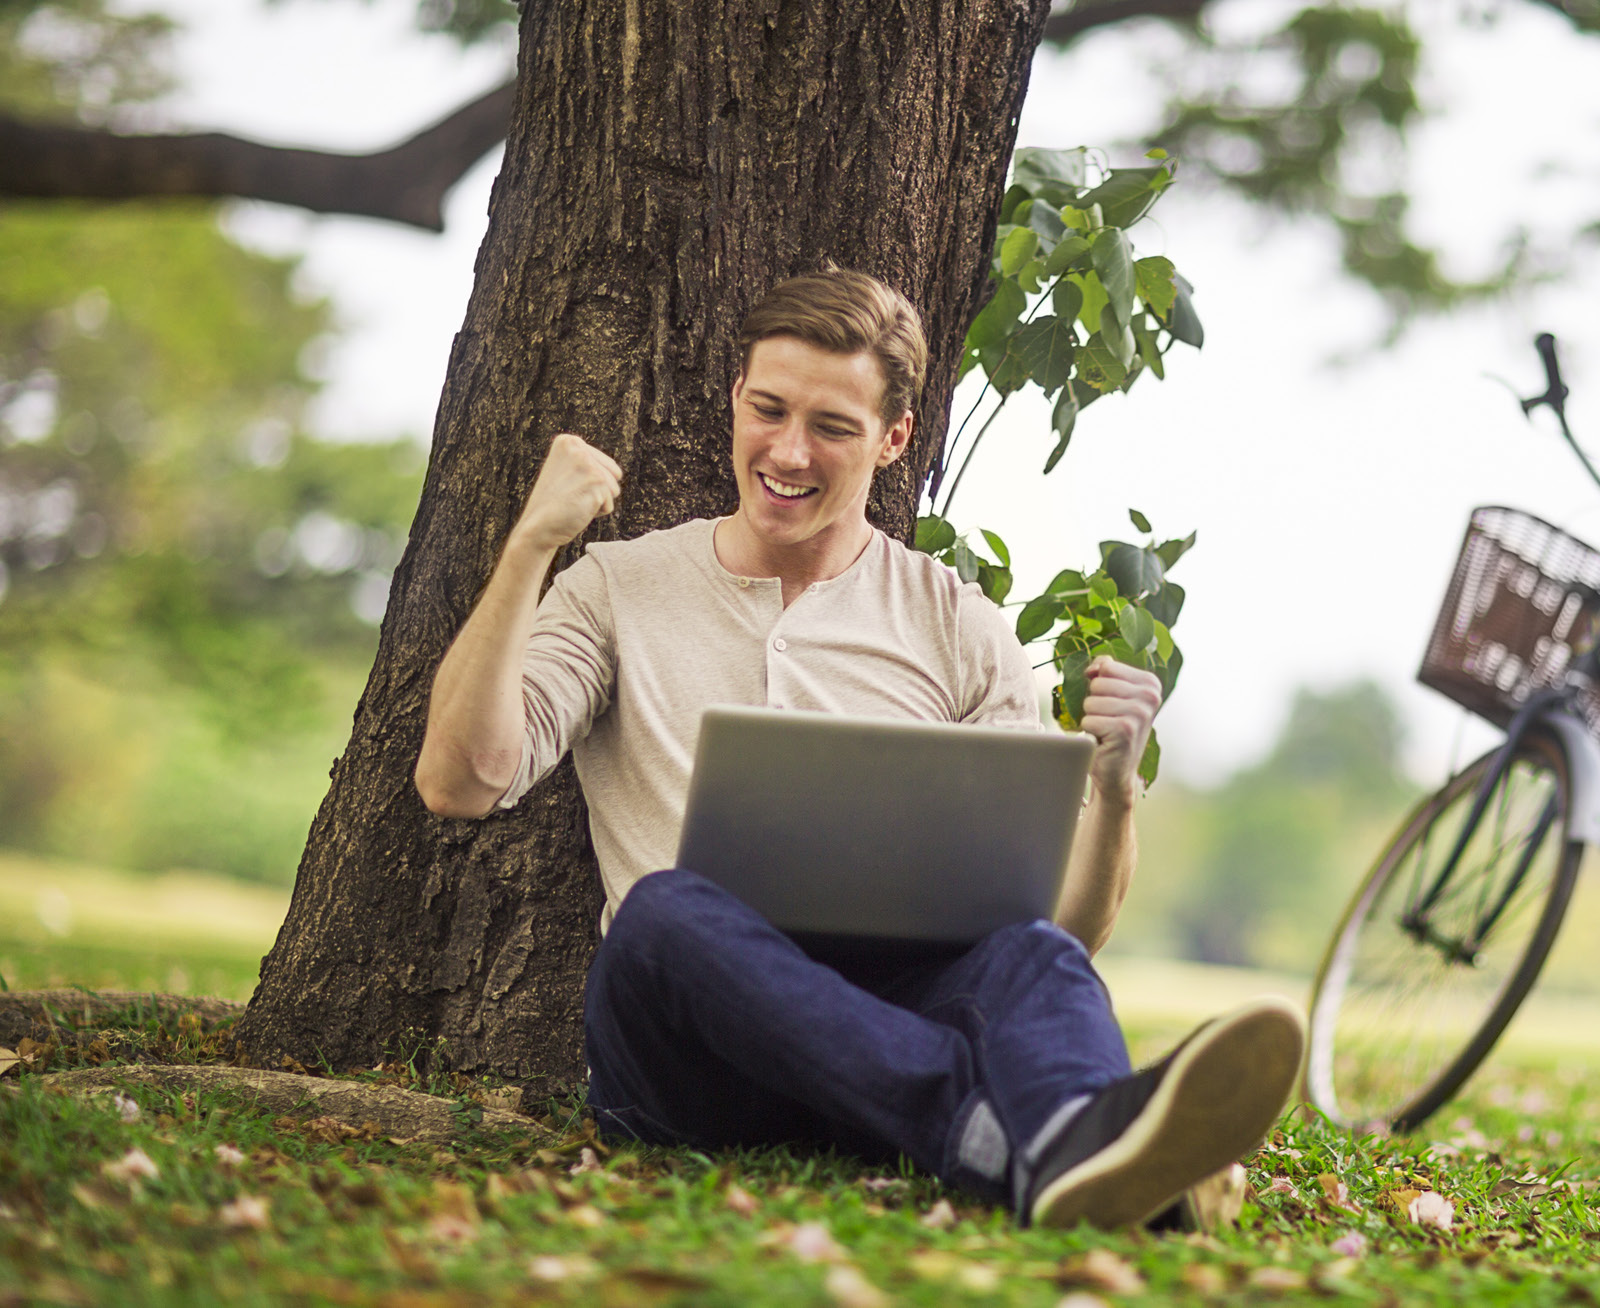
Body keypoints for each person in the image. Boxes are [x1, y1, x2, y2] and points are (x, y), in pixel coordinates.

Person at [412, 268, 1302, 1229]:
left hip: (896, 1016)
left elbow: (1064, 935)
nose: (788, 451)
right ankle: (1039, 1142)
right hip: (697, 1059)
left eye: (832, 427)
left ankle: (1068, 1155)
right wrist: (531, 547)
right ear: (735, 401)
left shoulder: (957, 624)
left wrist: (1118, 794)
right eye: (768, 410)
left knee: (1032, 960)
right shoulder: (616, 587)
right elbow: (460, 780)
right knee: (665, 915)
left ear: (894, 439)